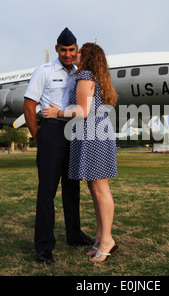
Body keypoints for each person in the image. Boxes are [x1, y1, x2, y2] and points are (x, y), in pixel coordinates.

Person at [23, 28, 95, 265]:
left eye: (71, 50)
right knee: (47, 192)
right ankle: (44, 246)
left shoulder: (80, 74)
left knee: (72, 188)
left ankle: (74, 234)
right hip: (52, 131)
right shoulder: (43, 71)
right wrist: (38, 138)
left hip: (73, 130)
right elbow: (29, 105)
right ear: (57, 49)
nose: (67, 54)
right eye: (63, 49)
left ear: (76, 51)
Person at [44, 42, 118, 262]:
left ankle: (107, 240)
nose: (74, 54)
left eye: (79, 52)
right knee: (96, 187)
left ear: (87, 57)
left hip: (92, 134)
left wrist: (58, 111)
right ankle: (100, 238)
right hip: (98, 133)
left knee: (100, 188)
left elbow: (82, 111)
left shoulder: (85, 74)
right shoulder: (97, 77)